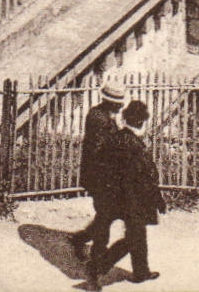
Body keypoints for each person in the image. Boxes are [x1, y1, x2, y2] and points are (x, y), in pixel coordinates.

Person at [88, 99, 165, 287]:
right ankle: (98, 266)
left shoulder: (115, 138)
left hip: (115, 196)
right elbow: (148, 178)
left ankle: (141, 271)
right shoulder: (137, 147)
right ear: (141, 123)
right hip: (134, 199)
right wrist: (158, 200)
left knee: (137, 234)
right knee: (134, 237)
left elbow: (101, 165)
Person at [68, 83, 126, 264]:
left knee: (107, 213)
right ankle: (96, 258)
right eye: (117, 103)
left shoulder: (105, 115)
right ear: (109, 102)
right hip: (99, 176)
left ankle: (82, 238)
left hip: (106, 176)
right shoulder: (98, 118)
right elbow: (101, 150)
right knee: (105, 214)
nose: (120, 106)